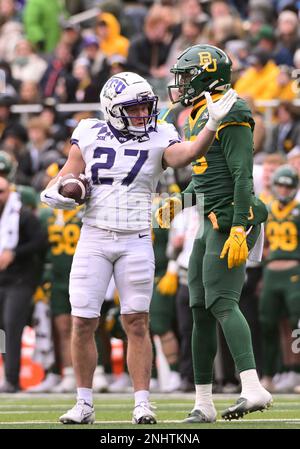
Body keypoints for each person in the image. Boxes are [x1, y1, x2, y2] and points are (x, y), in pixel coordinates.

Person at [40, 71, 237, 425]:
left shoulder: (161, 133)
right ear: (112, 109)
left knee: (137, 321)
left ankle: (142, 402)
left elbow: (185, 156)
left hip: (136, 238)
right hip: (95, 236)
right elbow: (68, 174)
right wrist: (57, 190)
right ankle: (84, 402)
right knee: (83, 321)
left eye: (146, 106)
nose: (143, 114)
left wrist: (210, 127)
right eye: (134, 108)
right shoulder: (87, 131)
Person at [156, 44, 273, 422]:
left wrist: (240, 225)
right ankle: (203, 402)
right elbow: (204, 181)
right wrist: (174, 205)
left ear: (207, 75)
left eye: (187, 77)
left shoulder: (231, 109)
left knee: (222, 301)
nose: (182, 85)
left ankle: (253, 387)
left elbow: (242, 177)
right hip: (210, 218)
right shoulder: (199, 115)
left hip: (232, 218)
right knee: (197, 309)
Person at [0, 176, 47, 392]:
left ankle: (11, 378)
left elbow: (40, 241)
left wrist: (14, 254)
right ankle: (6, 375)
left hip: (19, 280)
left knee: (12, 325)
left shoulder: (23, 216)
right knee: (1, 329)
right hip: (3, 279)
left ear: (9, 191)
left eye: (1, 191)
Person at [259, 165, 300, 393]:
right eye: (280, 185)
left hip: (294, 271)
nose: (284, 190)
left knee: (297, 323)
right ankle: (269, 374)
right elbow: (260, 243)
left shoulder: (298, 210)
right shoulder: (267, 209)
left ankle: (296, 372)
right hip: (271, 273)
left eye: (288, 185)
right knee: (267, 323)